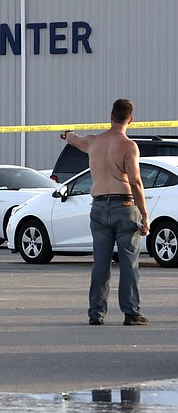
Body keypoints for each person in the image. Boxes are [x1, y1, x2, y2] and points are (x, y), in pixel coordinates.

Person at [61, 98, 149, 326]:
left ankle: (96, 313)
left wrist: (68, 135)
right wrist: (145, 215)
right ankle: (131, 313)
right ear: (131, 119)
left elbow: (74, 139)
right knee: (128, 262)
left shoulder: (93, 142)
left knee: (101, 262)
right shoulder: (129, 146)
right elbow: (136, 182)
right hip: (124, 206)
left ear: (110, 115)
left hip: (99, 205)